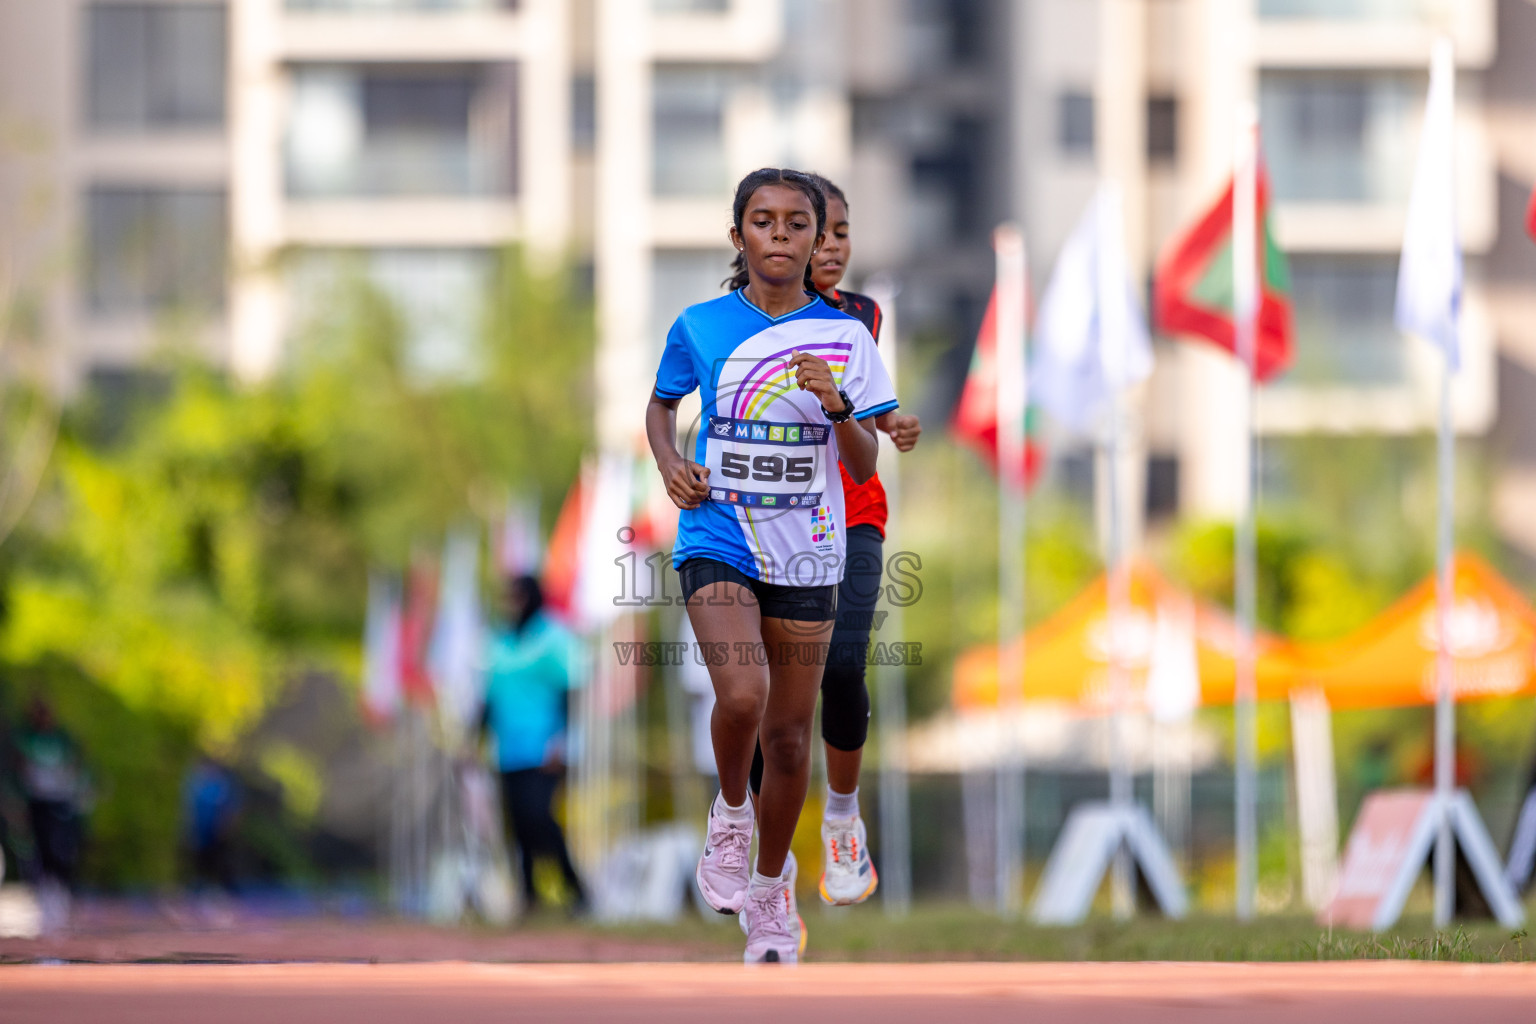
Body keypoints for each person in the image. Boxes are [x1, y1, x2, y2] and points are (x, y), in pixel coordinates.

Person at [646, 167, 897, 963]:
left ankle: (769, 894)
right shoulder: (698, 324)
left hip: (808, 549)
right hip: (716, 534)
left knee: (790, 740)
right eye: (763, 221)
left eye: (798, 223)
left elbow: (861, 465)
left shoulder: (849, 337)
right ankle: (729, 815)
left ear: (819, 239)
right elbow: (661, 405)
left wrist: (838, 405)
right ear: (738, 237)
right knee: (744, 694)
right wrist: (667, 462)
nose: (781, 236)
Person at [745, 174, 921, 908]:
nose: (834, 245)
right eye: (825, 231)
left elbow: (863, 403)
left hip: (850, 514)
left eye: (843, 231)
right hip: (769, 521)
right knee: (765, 700)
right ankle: (769, 868)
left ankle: (843, 822)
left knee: (843, 666)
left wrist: (894, 424)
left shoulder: (861, 315)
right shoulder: (741, 319)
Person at [481, 574, 588, 916]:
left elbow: (569, 690)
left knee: (540, 817)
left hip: (544, 747)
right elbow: (488, 698)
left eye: (517, 597)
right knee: (518, 823)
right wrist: (473, 741)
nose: (511, 604)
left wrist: (562, 739)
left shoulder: (553, 636)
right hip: (507, 749)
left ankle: (575, 888)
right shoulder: (499, 642)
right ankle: (528, 895)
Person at [14, 698, 88, 934]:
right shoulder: (26, 738)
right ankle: (46, 889)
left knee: (63, 845)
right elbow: (21, 769)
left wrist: (70, 785)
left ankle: (60, 888)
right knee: (41, 844)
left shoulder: (62, 738)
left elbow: (75, 763)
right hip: (38, 801)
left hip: (60, 799)